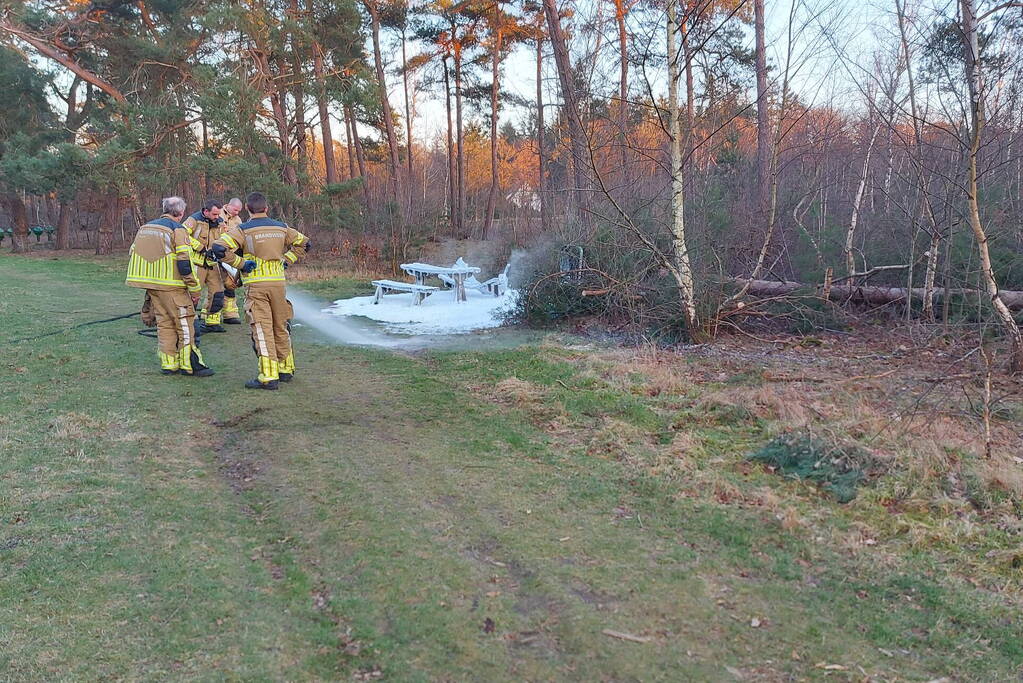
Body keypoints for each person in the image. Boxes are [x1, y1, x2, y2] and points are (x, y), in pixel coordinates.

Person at [212, 192, 309, 390]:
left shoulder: (243, 230)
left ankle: (268, 376)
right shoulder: (282, 227)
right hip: (278, 285)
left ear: (248, 209)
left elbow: (219, 248)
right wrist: (287, 260)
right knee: (280, 326)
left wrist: (240, 264)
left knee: (262, 329)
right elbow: (305, 243)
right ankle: (285, 369)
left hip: (256, 286)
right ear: (266, 208)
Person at [125, 197, 214, 376]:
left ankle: (169, 364)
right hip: (173, 286)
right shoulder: (178, 230)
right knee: (185, 324)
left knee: (164, 323)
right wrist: (194, 288)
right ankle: (190, 365)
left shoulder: (146, 228)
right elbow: (184, 262)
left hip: (152, 286)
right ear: (181, 213)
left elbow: (133, 251)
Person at [183, 199, 227, 333]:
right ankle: (188, 322)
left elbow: (225, 238)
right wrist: (201, 248)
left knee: (217, 293)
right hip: (197, 263)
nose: (217, 217)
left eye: (218, 214)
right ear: (206, 211)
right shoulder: (193, 220)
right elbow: (183, 235)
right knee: (193, 294)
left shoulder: (220, 222)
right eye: (214, 214)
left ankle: (212, 322)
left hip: (213, 263)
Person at [219, 198, 245, 324]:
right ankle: (208, 314)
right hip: (217, 253)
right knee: (216, 285)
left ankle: (230, 315)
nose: (237, 213)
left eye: (239, 211)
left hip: (231, 257)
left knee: (231, 285)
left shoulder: (238, 220)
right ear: (229, 206)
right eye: (235, 210)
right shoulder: (218, 214)